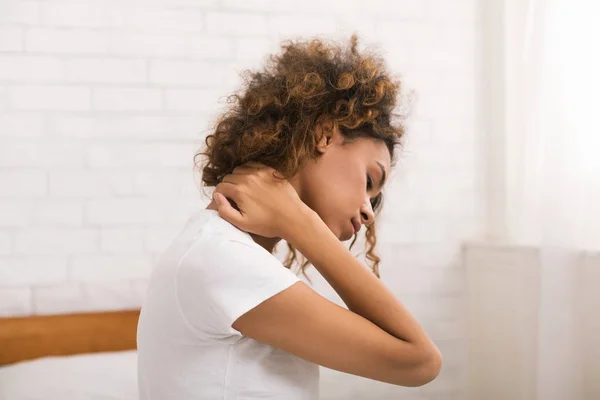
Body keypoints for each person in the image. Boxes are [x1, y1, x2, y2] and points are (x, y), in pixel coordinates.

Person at [136, 34, 442, 400]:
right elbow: (420, 362)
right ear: (325, 134)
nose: (367, 211)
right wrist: (300, 223)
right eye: (369, 180)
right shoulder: (222, 258)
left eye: (374, 201)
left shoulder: (219, 248)